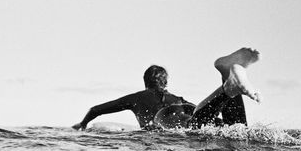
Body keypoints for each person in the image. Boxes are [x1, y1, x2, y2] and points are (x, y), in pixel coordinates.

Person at [72, 48, 261, 130]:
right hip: (188, 110)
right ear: (165, 83)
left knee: (194, 126)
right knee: (235, 128)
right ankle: (228, 77)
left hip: (164, 120)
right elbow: (204, 112)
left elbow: (95, 110)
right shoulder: (178, 97)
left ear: (146, 82)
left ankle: (229, 85)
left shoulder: (136, 98)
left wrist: (83, 124)